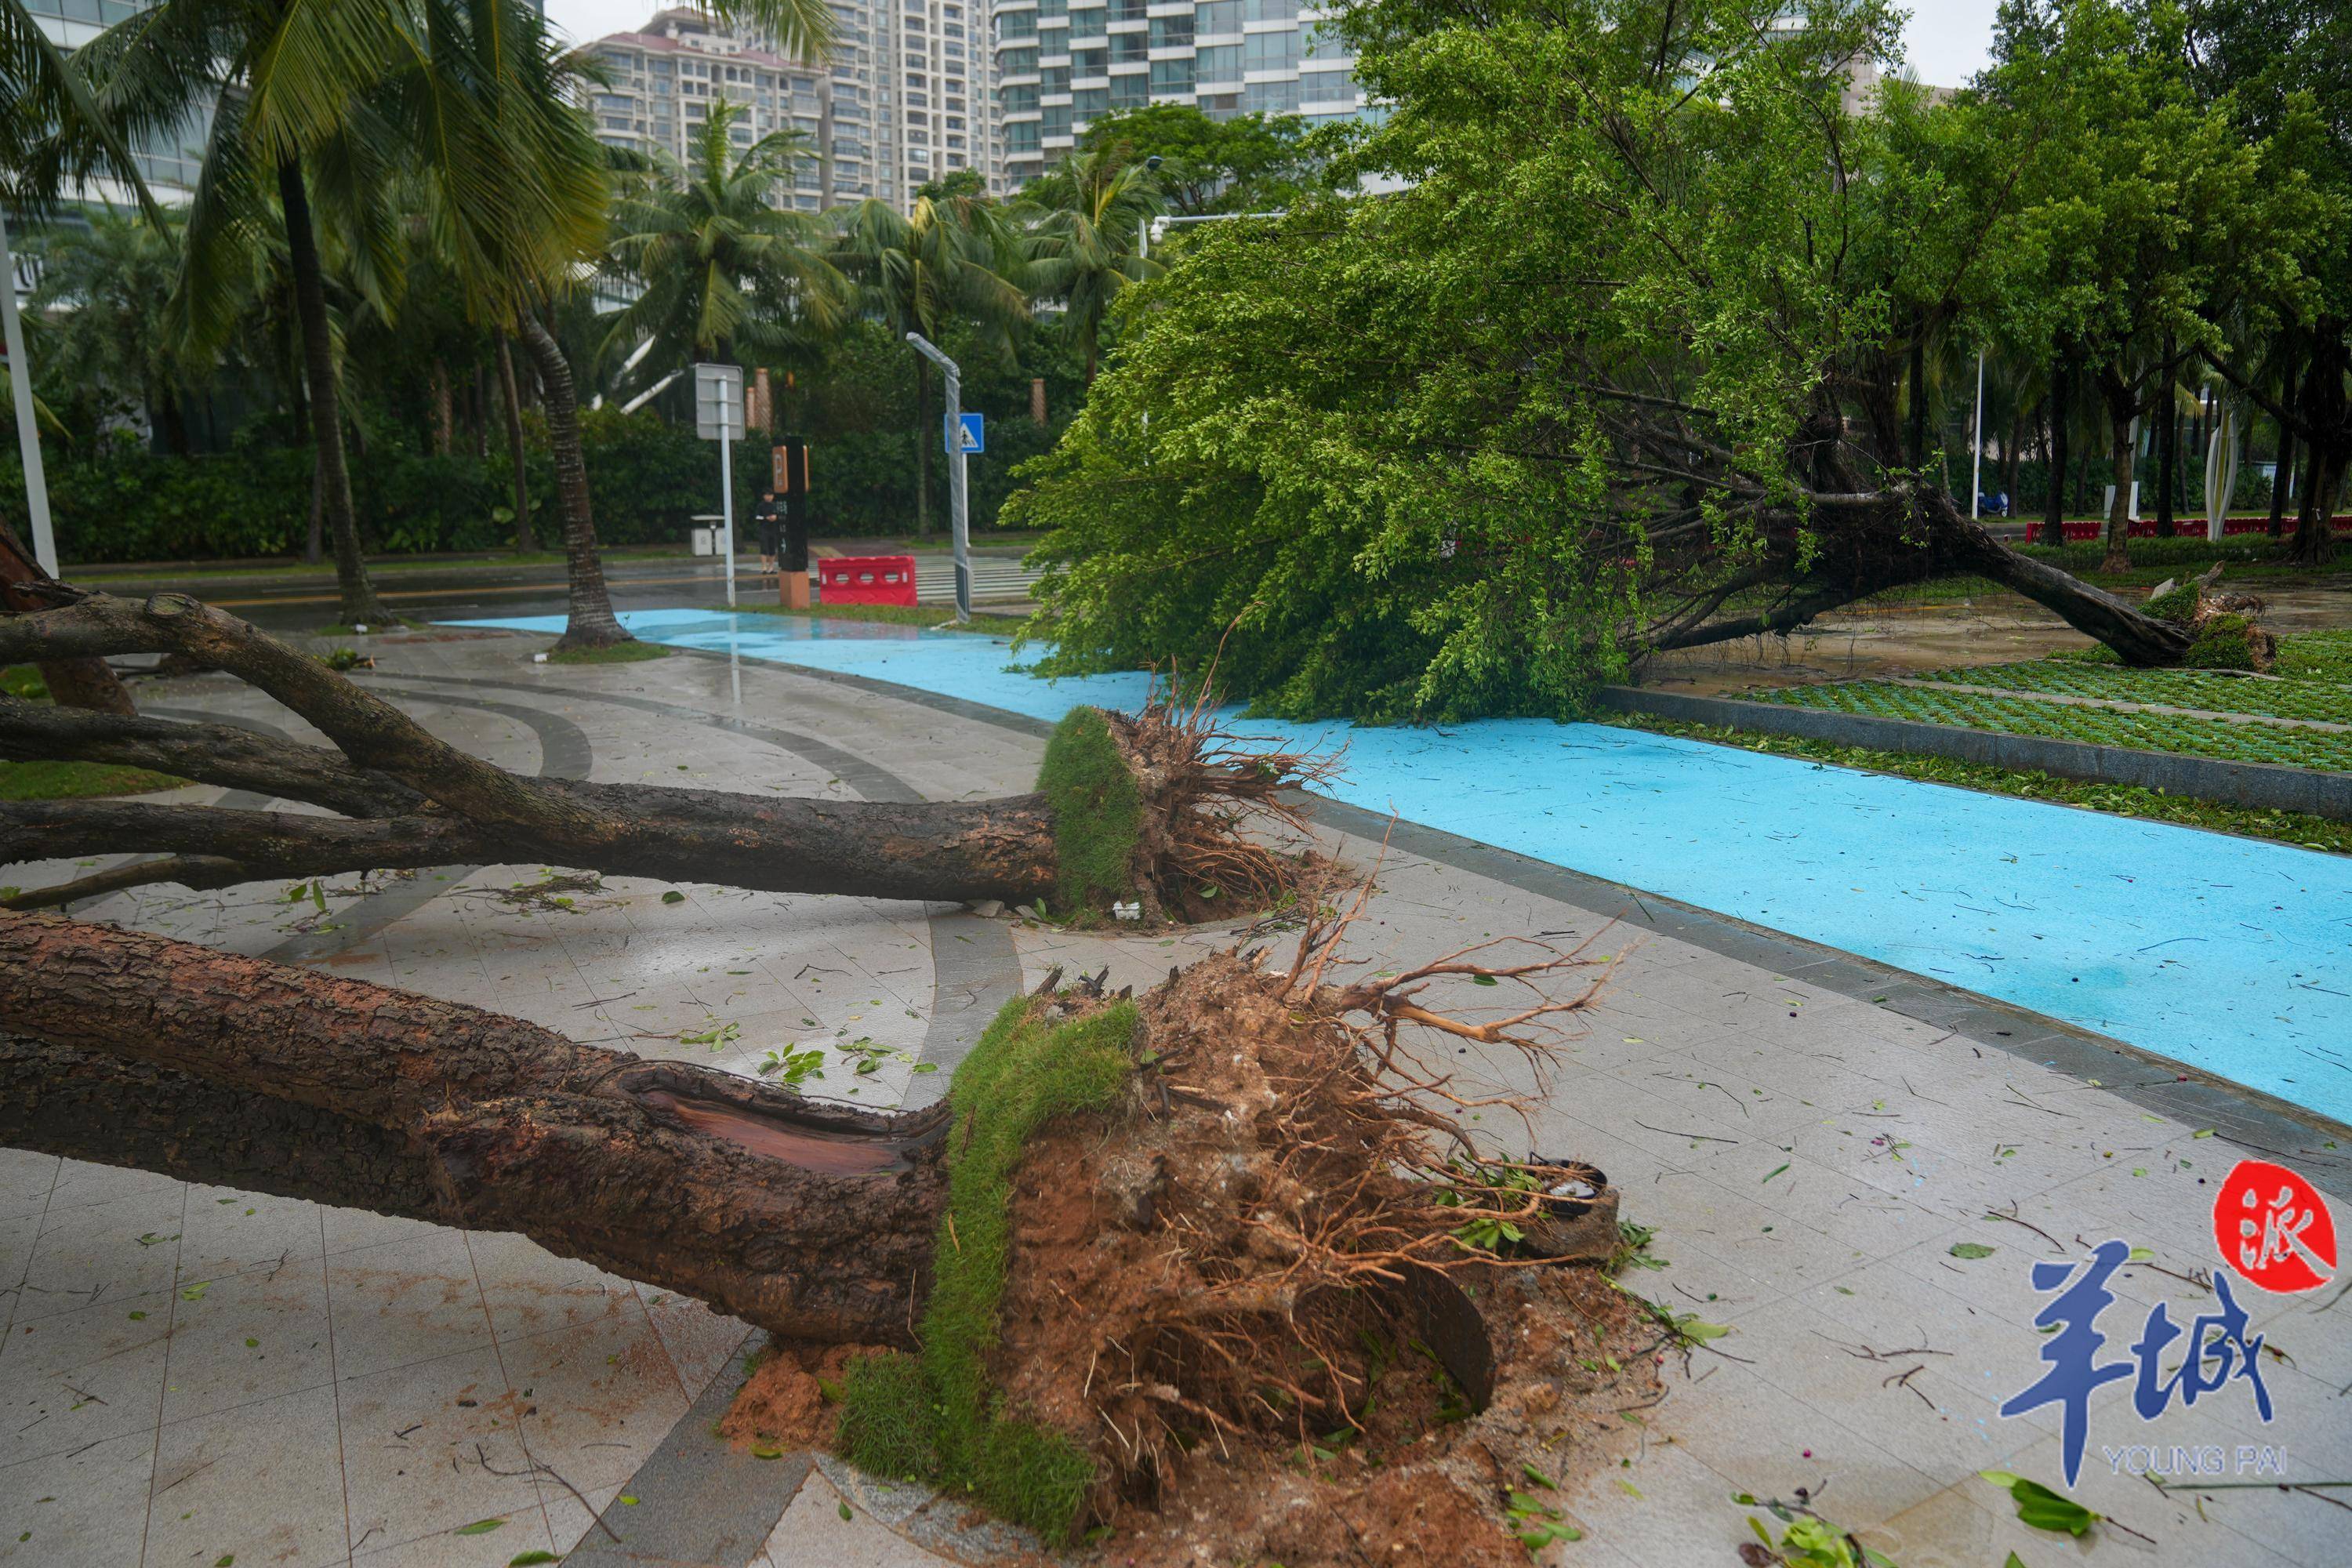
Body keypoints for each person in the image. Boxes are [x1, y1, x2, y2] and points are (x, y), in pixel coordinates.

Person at [754, 489, 784, 579]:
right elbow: (757, 517)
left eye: (770, 495)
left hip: (774, 529)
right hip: (764, 529)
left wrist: (776, 517)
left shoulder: (776, 505)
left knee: (772, 548)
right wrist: (766, 518)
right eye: (767, 495)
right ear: (764, 496)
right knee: (763, 547)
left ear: (773, 496)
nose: (769, 497)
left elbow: (781, 516)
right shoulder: (760, 506)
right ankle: (764, 567)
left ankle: (771, 567)